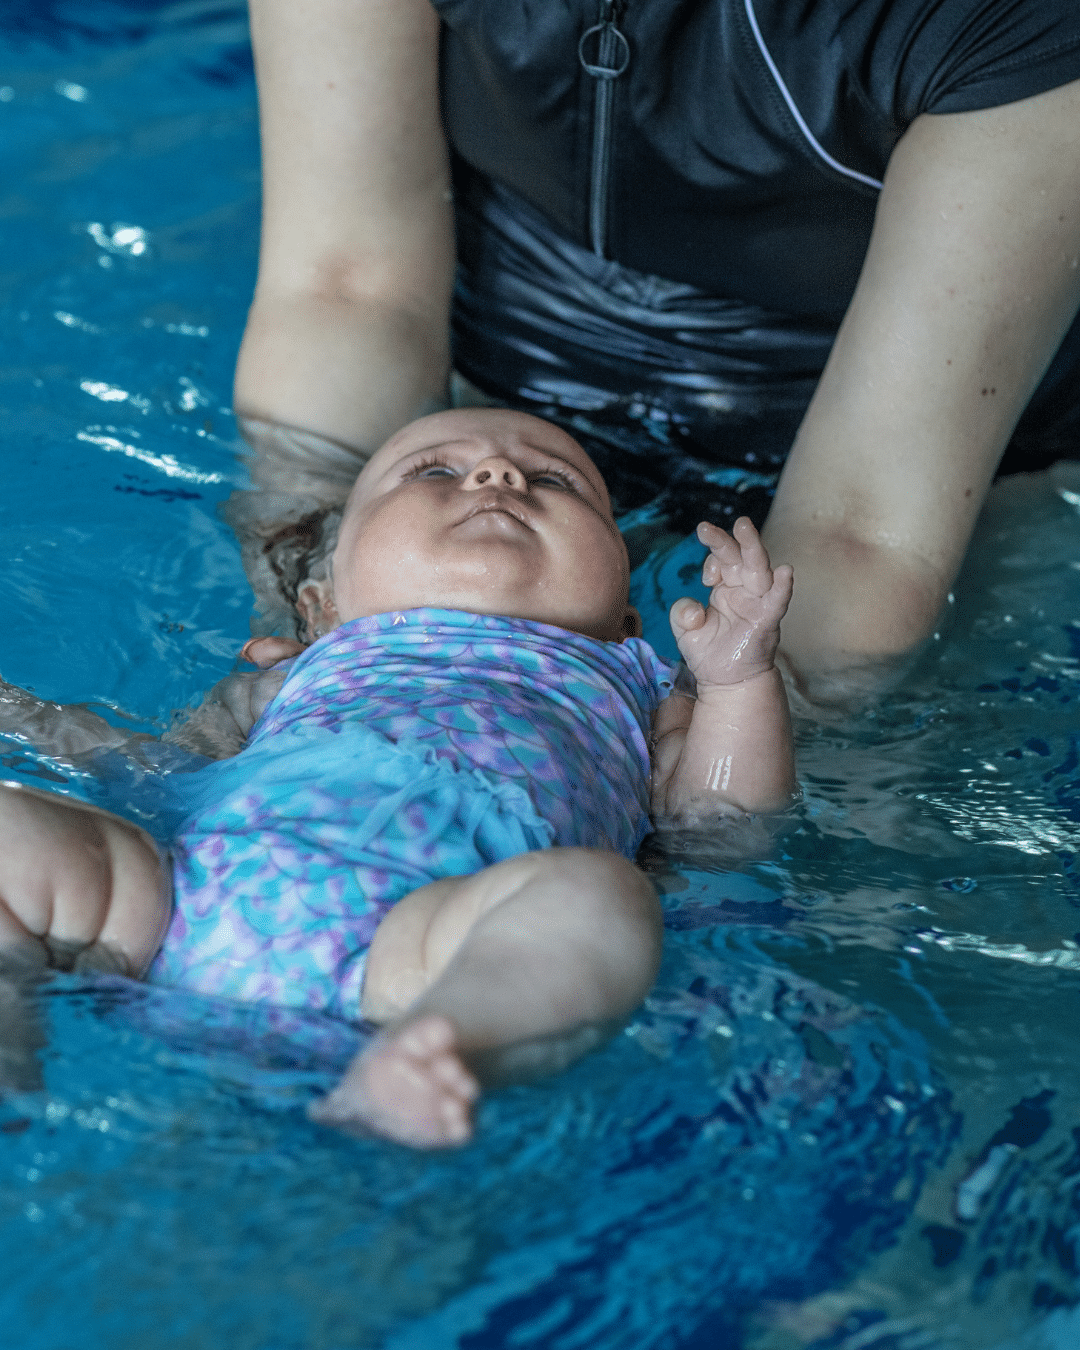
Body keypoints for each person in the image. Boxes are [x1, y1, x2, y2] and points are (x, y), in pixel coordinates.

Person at [232, 0, 1080, 708]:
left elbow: (866, 532)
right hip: (502, 382)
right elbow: (345, 293)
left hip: (926, 466)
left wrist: (678, 760)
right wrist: (318, 621)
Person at [0, 409, 796, 1147]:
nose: (497, 478)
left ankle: (447, 1046)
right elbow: (163, 779)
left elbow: (720, 826)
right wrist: (35, 719)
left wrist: (734, 684)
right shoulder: (296, 673)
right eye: (432, 473)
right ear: (323, 607)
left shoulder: (636, 685)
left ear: (626, 620)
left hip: (427, 948)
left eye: (553, 480)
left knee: (596, 897)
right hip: (179, 903)